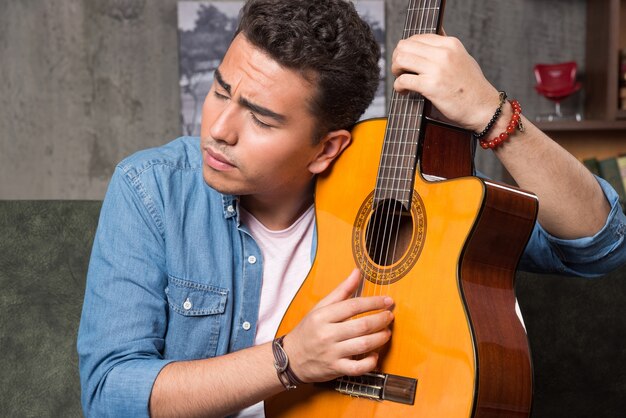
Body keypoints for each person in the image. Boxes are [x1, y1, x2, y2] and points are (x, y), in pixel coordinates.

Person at [77, 0, 626, 417]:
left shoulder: (404, 193)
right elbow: (108, 392)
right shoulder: (151, 189)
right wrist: (288, 362)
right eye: (220, 91)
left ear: (328, 148)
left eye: (262, 119)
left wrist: (492, 115)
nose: (218, 131)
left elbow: (597, 246)